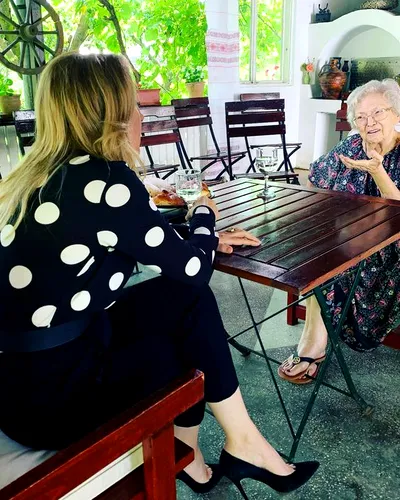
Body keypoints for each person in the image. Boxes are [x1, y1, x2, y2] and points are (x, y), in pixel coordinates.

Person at [0, 52, 318, 496]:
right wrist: (204, 214)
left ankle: (207, 455)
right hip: (56, 401)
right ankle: (222, 449)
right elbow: (192, 269)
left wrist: (193, 233)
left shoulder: (38, 176)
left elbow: (124, 235)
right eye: (135, 104)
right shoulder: (106, 179)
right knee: (182, 330)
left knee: (183, 304)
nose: (141, 116)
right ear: (112, 114)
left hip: (22, 380)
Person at [279, 78, 400, 383]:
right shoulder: (352, 146)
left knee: (336, 257)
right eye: (361, 116)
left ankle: (313, 344)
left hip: (392, 252)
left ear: (397, 115)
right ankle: (315, 337)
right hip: (352, 240)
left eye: (378, 113)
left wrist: (378, 172)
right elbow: (317, 179)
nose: (369, 122)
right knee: (320, 247)